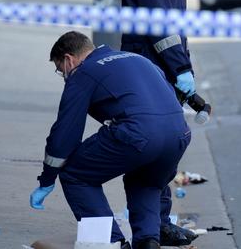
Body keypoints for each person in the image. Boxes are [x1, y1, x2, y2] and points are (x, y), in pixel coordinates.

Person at [29, 31, 191, 249]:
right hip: (179, 134)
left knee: (75, 174)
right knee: (146, 181)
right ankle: (148, 241)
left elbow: (66, 133)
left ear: (69, 59)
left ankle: (110, 242)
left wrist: (47, 178)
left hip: (138, 133)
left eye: (61, 70)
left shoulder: (84, 72)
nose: (64, 76)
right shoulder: (137, 59)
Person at [120, 0, 198, 246]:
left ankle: (159, 223)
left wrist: (183, 71)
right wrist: (181, 69)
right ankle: (149, 231)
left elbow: (175, 27)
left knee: (166, 150)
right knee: (150, 151)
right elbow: (159, 26)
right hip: (147, 73)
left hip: (162, 74)